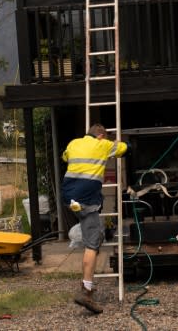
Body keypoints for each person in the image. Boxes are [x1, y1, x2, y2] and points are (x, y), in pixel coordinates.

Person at [61, 123, 128, 314]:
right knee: (93, 242)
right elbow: (124, 148)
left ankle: (87, 279)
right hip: (86, 199)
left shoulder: (73, 143)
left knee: (86, 226)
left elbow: (65, 156)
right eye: (104, 136)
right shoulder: (103, 144)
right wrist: (116, 142)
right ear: (100, 135)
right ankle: (86, 290)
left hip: (68, 197)